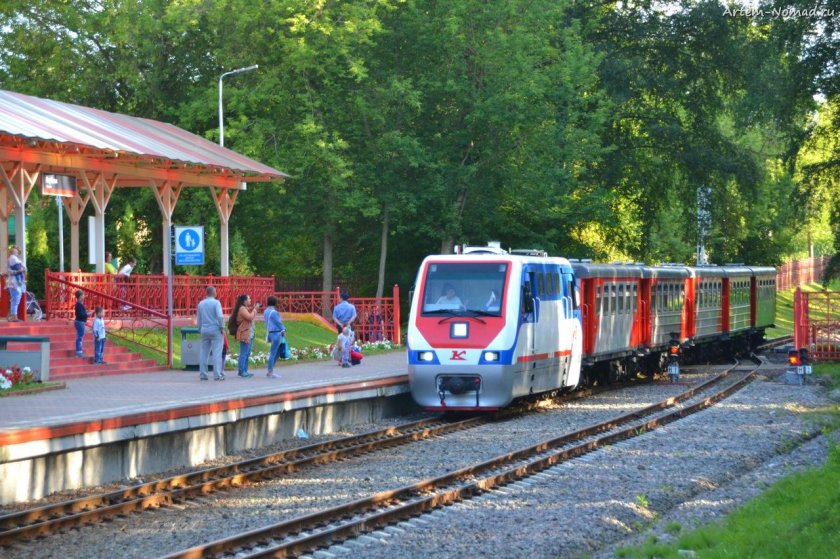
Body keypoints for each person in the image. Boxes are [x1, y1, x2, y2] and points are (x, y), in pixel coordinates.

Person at [196, 285, 225, 381]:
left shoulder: (201, 303)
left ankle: (203, 374)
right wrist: (222, 327)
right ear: (213, 293)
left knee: (204, 352)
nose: (216, 293)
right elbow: (220, 316)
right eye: (216, 291)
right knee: (217, 352)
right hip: (215, 329)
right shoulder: (216, 303)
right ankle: (217, 375)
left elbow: (199, 318)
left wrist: (200, 329)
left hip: (204, 329)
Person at [230, 294, 260, 378]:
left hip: (249, 333)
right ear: (244, 301)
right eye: (249, 299)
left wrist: (253, 309)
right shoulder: (242, 309)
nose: (250, 300)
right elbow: (250, 317)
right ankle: (241, 371)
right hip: (244, 333)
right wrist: (255, 309)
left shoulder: (244, 309)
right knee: (244, 353)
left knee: (247, 353)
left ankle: (245, 370)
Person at [263, 295, 285, 379]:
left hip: (270, 332)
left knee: (276, 351)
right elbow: (278, 323)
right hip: (276, 333)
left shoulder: (266, 311)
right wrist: (284, 329)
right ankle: (270, 371)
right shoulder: (274, 312)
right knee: (273, 352)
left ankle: (271, 369)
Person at [5, 246, 26, 321]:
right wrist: (19, 270)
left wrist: (21, 269)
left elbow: (24, 269)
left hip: (18, 282)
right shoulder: (11, 259)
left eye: (16, 251)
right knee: (15, 299)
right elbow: (10, 271)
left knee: (16, 299)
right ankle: (14, 317)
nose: (14, 252)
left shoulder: (18, 260)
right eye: (13, 251)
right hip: (14, 282)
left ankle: (12, 316)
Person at [74, 290, 89, 358]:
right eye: (83, 295)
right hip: (80, 322)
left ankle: (79, 351)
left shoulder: (79, 304)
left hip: (80, 322)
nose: (84, 296)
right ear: (80, 296)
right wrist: (87, 314)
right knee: (80, 337)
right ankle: (79, 352)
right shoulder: (79, 305)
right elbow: (81, 315)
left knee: (80, 336)